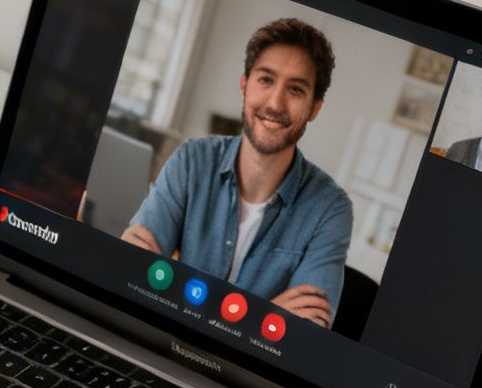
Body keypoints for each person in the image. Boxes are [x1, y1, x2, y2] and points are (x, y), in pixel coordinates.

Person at [121, 18, 353, 327]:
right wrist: (265, 317)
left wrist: (173, 289)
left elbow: (306, 331)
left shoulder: (330, 209)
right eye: (266, 80)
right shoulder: (192, 159)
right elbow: (135, 267)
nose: (275, 103)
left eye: (296, 89)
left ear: (314, 108)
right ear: (244, 85)